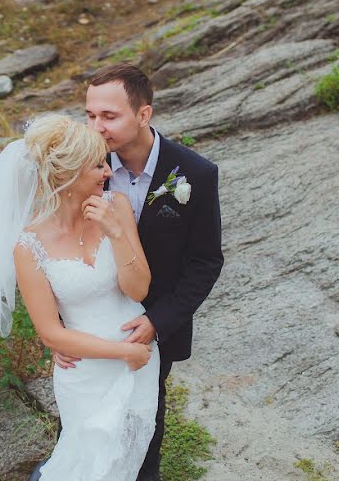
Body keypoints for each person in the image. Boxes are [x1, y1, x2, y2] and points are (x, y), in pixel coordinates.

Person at [0, 114, 161, 481]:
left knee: (126, 463)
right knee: (86, 465)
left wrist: (115, 233)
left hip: (141, 362)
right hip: (88, 368)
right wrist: (124, 352)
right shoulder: (28, 245)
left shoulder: (117, 207)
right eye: (96, 165)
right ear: (67, 174)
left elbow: (139, 290)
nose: (107, 172)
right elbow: (51, 334)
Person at [52, 62, 225, 481]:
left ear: (143, 115)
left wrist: (158, 321)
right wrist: (58, 329)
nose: (96, 127)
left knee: (142, 432)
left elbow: (206, 261)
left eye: (109, 116)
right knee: (82, 434)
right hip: (88, 329)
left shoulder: (195, 175)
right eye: (90, 115)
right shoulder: (82, 167)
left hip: (149, 328)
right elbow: (57, 247)